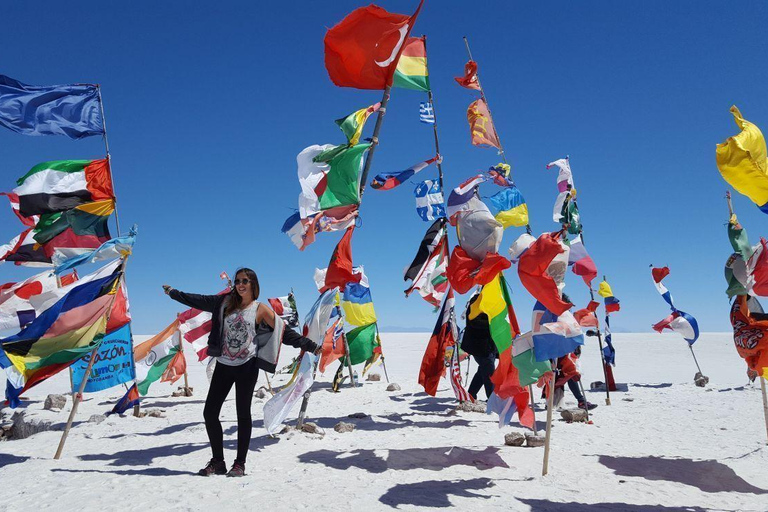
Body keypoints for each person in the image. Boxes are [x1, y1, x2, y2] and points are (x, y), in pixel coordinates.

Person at [163, 268, 319, 477]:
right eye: (237, 281)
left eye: (245, 281)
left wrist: (310, 346)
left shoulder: (260, 309)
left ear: (253, 284)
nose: (240, 284)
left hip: (247, 366)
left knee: (242, 414)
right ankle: (218, 461)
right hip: (223, 364)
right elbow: (198, 300)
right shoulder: (224, 303)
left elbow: (284, 333)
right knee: (210, 412)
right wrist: (174, 293)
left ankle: (239, 464)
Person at [460, 294, 497, 401]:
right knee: (489, 373)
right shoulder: (477, 301)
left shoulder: (492, 300)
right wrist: (492, 322)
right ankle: (492, 400)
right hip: (480, 346)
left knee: (483, 371)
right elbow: (474, 322)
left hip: (488, 346)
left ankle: (471, 394)